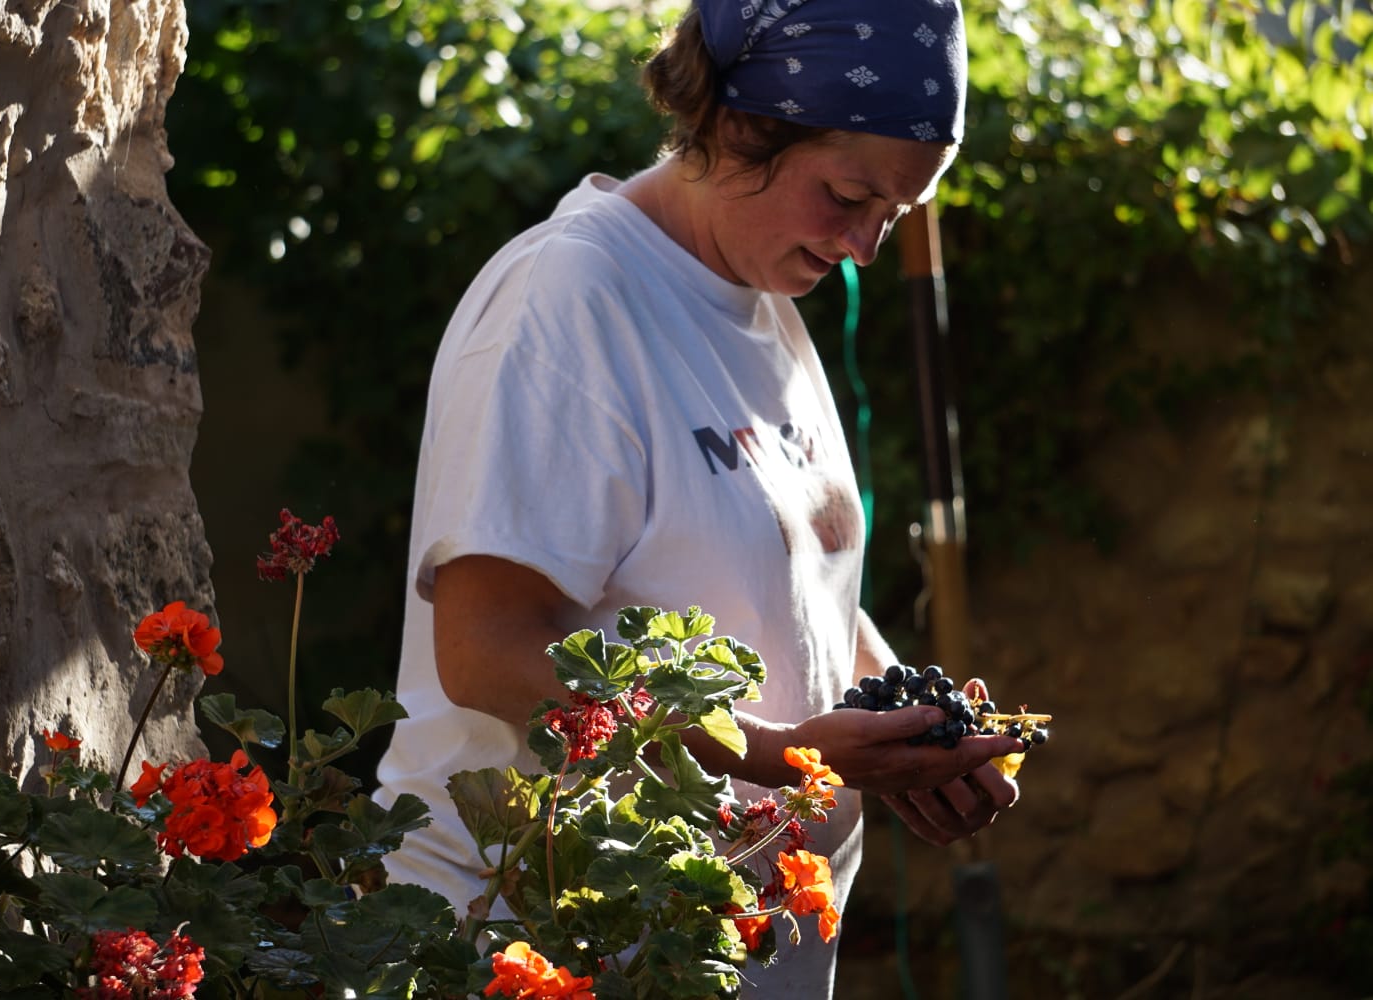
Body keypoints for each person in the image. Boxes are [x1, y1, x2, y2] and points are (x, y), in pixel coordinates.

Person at [373, 0, 1023, 992]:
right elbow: (485, 648)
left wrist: (917, 724)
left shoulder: (762, 298)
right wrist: (778, 753)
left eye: (894, 215)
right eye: (848, 196)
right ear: (737, 127)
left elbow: (793, 594)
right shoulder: (571, 300)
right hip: (549, 942)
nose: (863, 248)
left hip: (724, 955)